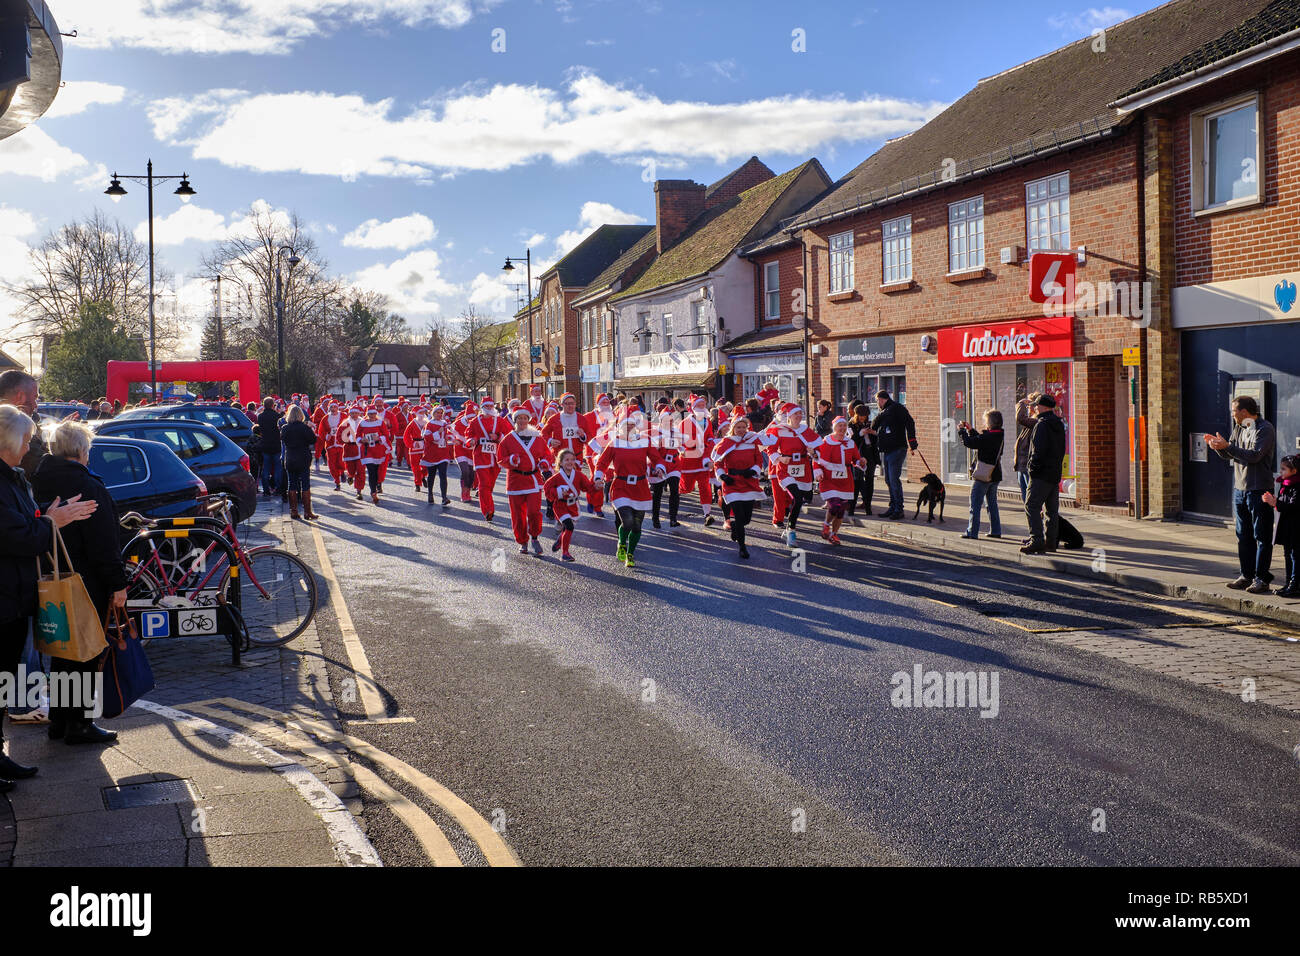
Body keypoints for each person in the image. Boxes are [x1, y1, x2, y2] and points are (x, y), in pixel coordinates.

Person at [0, 405, 99, 788]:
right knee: (3, 676)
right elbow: (16, 537)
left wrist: (45, 515)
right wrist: (50, 522)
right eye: (24, 442)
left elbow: (23, 523)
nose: (28, 449)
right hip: (5, 596)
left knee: (6, 678)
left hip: (14, 595)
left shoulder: (13, 477)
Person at [32, 421, 127, 743]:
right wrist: (118, 584)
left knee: (62, 652)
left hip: (50, 578)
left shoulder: (38, 480)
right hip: (86, 581)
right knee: (85, 652)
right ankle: (80, 724)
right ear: (82, 450)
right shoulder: (87, 487)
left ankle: (60, 720)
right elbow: (103, 544)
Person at [1207, 395, 1278, 593]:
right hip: (1240, 489)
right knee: (1243, 536)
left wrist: (1228, 447)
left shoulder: (1265, 429)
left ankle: (1261, 579)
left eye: (1233, 411)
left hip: (1259, 490)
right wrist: (1218, 448)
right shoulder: (1240, 427)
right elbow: (1231, 452)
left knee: (1262, 536)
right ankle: (1246, 575)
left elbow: (1255, 455)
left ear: (1244, 412)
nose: (1232, 415)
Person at [594, 406, 665, 568]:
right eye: (626, 425)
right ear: (620, 426)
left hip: (640, 487)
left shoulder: (644, 441)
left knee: (637, 525)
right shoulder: (615, 442)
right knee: (627, 521)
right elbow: (602, 462)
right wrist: (598, 477)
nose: (630, 428)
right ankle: (621, 543)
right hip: (621, 486)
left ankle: (630, 554)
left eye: (632, 425)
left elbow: (657, 458)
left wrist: (660, 468)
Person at [711, 409, 766, 560]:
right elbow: (718, 462)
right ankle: (742, 547)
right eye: (738, 427)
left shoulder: (752, 442)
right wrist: (722, 475)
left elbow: (759, 460)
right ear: (733, 429)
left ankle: (735, 526)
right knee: (739, 515)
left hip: (748, 481)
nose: (741, 430)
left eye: (743, 427)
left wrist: (754, 470)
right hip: (732, 482)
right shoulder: (726, 443)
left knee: (746, 519)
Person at [497, 409, 553, 556]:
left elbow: (547, 455)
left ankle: (534, 537)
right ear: (515, 421)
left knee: (534, 512)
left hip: (533, 480)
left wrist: (544, 463)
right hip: (515, 480)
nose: (522, 421)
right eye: (519, 418)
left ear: (528, 420)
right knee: (518, 515)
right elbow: (501, 458)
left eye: (524, 418)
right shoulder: (508, 439)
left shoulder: (537, 438)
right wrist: (510, 460)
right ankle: (522, 541)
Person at [766, 402, 821, 547]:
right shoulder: (779, 430)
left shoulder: (806, 430)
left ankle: (789, 528)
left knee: (800, 500)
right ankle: (791, 531)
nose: (799, 416)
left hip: (803, 469)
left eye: (800, 414)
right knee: (796, 498)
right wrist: (779, 458)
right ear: (789, 416)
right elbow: (770, 449)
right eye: (796, 414)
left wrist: (813, 452)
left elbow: (819, 448)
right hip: (785, 469)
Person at [1021, 394, 1066, 555]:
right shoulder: (1058, 424)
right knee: (1051, 511)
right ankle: (1050, 542)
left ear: (1045, 407)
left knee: (1031, 506)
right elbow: (1060, 450)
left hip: (1040, 475)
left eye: (1037, 405)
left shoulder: (1042, 425)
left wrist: (1032, 469)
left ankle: (1037, 540)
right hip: (1054, 474)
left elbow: (1037, 451)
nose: (1034, 407)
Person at [867, 390, 917, 520]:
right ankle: (893, 506)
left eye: (877, 400)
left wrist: (912, 441)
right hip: (887, 450)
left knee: (894, 480)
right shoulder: (885, 411)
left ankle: (899, 509)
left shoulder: (896, 408)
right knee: (888, 480)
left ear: (882, 399)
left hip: (897, 448)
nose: (877, 403)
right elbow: (875, 425)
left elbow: (910, 422)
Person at [814, 416, 863, 545]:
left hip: (845, 480)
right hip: (829, 478)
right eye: (839, 426)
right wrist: (817, 472)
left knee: (842, 509)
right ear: (834, 427)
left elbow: (855, 459)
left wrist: (861, 462)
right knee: (835, 505)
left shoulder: (850, 442)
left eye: (844, 426)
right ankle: (826, 525)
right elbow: (816, 459)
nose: (842, 428)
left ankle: (833, 534)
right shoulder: (826, 442)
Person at [462, 399, 512, 522]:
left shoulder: (500, 420)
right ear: (482, 407)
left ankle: (487, 505)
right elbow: (468, 435)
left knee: (490, 485)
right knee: (484, 484)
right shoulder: (475, 421)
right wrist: (472, 440)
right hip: (480, 456)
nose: (489, 408)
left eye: (491, 406)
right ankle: (488, 510)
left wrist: (498, 437)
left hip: (495, 457)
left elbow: (509, 435)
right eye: (486, 406)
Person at [958, 410, 1005, 540]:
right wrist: (971, 430)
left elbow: (970, 443)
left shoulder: (988, 437)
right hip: (995, 474)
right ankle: (996, 530)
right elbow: (980, 441)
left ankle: (972, 532)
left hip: (983, 475)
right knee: (992, 504)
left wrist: (962, 431)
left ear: (990, 423)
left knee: (975, 503)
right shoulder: (999, 435)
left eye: (985, 421)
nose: (985, 423)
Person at [544, 449, 596, 561]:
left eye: (572, 459)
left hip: (573, 506)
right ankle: (565, 553)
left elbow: (587, 487)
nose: (570, 462)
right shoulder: (556, 477)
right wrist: (558, 492)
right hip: (560, 506)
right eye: (566, 460)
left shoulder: (579, 475)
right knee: (569, 526)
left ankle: (560, 539)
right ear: (560, 462)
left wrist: (596, 486)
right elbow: (547, 488)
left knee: (567, 529)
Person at [1262, 455, 1299, 599]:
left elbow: (1294, 506)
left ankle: (1295, 585)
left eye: (1284, 469)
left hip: (1296, 527)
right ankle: (1289, 583)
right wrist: (1274, 502)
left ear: (1294, 470)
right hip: (1287, 526)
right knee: (1288, 555)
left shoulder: (1297, 486)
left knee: (1296, 556)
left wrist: (1275, 502)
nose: (1281, 471)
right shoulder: (1285, 484)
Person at [0, 370, 47, 475]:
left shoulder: (16, 423)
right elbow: (40, 464)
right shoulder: (10, 427)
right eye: (34, 398)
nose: (35, 405)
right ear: (20, 397)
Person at [679, 396, 716, 527]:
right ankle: (675, 491)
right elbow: (679, 440)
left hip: (703, 459)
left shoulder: (707, 422)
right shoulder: (684, 423)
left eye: (703, 405)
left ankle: (707, 514)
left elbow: (710, 436)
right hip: (689, 460)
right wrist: (682, 449)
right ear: (693, 408)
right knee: (687, 487)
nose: (701, 408)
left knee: (705, 487)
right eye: (698, 405)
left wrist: (711, 442)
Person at [280, 405, 318, 520]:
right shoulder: (304, 427)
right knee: (305, 484)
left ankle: (293, 511)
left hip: (290, 457)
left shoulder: (285, 428)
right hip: (303, 457)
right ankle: (307, 512)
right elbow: (313, 440)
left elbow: (282, 439)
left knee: (291, 484)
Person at [649, 406, 683, 529]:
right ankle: (655, 518)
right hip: (659, 465)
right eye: (666, 420)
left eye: (671, 420)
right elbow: (652, 450)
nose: (669, 422)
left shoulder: (676, 432)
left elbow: (681, 445)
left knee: (675, 490)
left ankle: (673, 518)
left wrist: (682, 449)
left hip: (674, 464)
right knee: (657, 493)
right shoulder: (655, 432)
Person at [846, 401, 878, 517]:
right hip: (858, 454)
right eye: (860, 416)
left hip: (870, 453)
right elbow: (851, 441)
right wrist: (860, 433)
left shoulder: (870, 423)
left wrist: (873, 433)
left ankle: (867, 504)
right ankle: (852, 506)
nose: (863, 418)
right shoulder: (851, 425)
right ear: (856, 415)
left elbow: (876, 440)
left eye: (865, 416)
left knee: (869, 480)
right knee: (857, 480)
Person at [357, 405, 391, 504]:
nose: (372, 415)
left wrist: (379, 438)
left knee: (376, 471)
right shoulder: (362, 423)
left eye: (373, 413)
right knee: (371, 470)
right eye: (370, 414)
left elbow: (386, 435)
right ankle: (373, 492)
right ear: (367, 414)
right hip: (367, 449)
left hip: (378, 449)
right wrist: (361, 439)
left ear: (376, 414)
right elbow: (358, 435)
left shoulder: (380, 423)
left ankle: (376, 486)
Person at [420, 405, 454, 507]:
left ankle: (444, 497)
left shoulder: (444, 424)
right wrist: (437, 432)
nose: (439, 415)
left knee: (443, 475)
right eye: (437, 413)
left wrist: (452, 439)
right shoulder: (429, 424)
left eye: (441, 413)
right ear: (433, 414)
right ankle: (430, 494)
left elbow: (447, 435)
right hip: (432, 453)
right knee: (432, 475)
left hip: (443, 452)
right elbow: (427, 438)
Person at [1013, 390, 1037, 500]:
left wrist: (1021, 403)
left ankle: (1037, 516)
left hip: (1027, 464)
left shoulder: (1036, 421)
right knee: (1025, 495)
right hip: (1022, 464)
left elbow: (1020, 419)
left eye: (1029, 405)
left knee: (1030, 495)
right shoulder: (1031, 420)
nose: (1027, 407)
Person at [257, 397, 283, 497]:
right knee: (277, 468)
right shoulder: (277, 416)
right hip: (276, 444)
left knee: (266, 469)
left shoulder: (260, 416)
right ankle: (278, 488)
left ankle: (266, 489)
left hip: (265, 444)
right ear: (273, 405)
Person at [337, 406, 364, 499]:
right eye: (352, 413)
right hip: (349, 449)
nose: (354, 415)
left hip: (360, 449)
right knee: (351, 470)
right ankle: (350, 475)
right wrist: (345, 440)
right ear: (350, 414)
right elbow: (339, 436)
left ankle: (359, 491)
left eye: (356, 413)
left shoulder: (363, 422)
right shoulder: (345, 423)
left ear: (359, 413)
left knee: (360, 471)